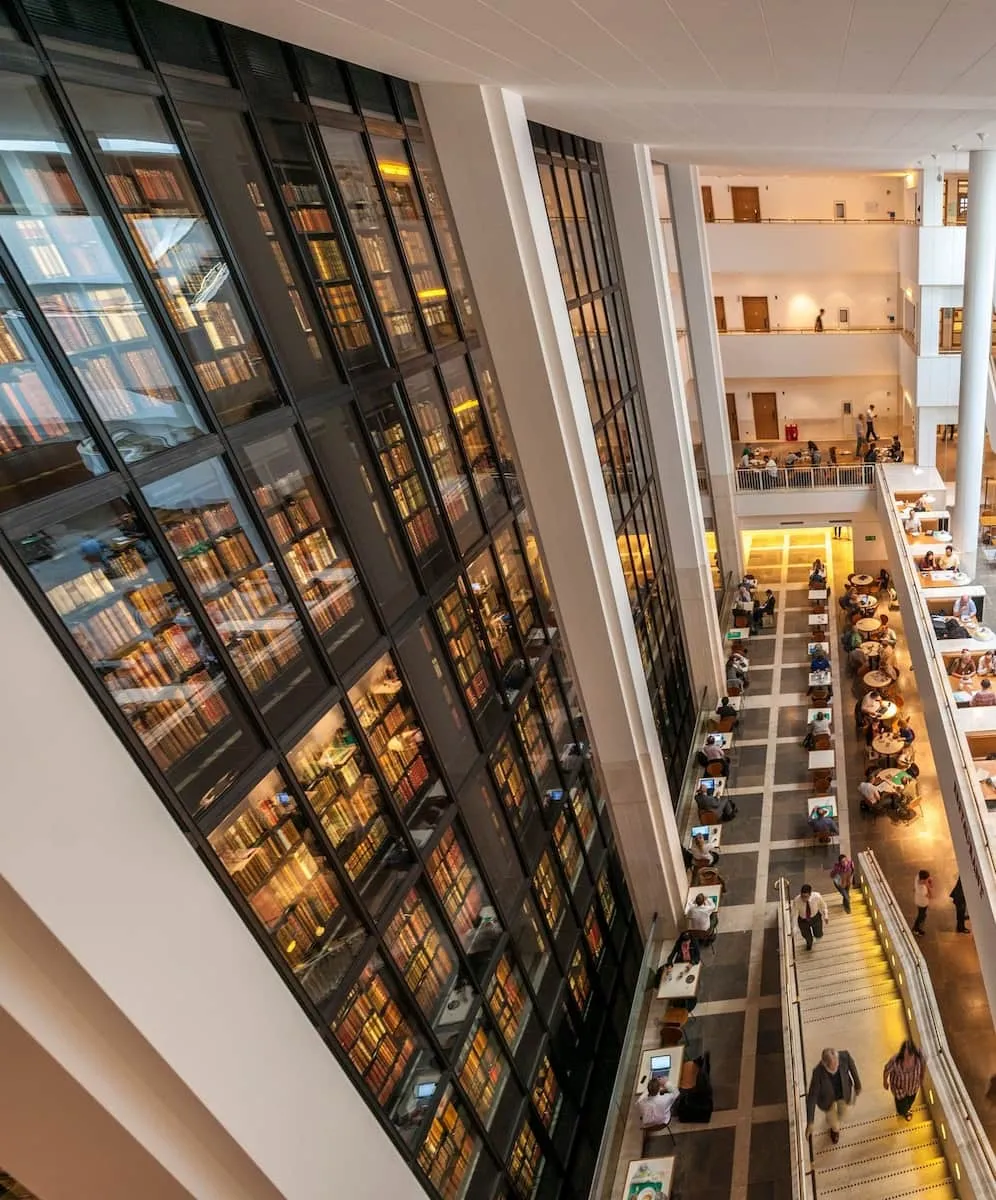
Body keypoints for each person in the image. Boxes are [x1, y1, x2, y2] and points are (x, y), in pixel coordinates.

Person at [806, 1048, 862, 1146]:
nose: (837, 1066)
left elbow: (853, 1069)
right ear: (824, 1064)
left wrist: (858, 1085)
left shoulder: (845, 1056)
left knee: (843, 1114)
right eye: (833, 1066)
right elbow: (812, 1096)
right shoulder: (817, 1073)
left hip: (843, 1094)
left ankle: (837, 1121)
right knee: (834, 1123)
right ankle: (835, 1130)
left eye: (837, 1063)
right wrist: (810, 1122)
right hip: (827, 1100)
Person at [882, 1042, 924, 1122]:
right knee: (901, 1107)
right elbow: (886, 1070)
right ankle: (904, 1112)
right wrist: (885, 1082)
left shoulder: (919, 1057)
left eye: (911, 1057)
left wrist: (922, 1077)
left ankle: (906, 1109)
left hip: (913, 1088)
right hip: (899, 1090)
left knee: (910, 1101)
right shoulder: (895, 1061)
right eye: (906, 1057)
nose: (908, 1061)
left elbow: (924, 1062)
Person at [791, 883, 828, 951]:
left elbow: (823, 906)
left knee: (818, 934)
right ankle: (809, 944)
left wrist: (825, 915)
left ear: (810, 894)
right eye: (802, 896)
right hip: (803, 920)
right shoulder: (796, 900)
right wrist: (794, 927)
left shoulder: (817, 896)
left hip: (815, 918)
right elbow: (794, 914)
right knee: (807, 937)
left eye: (806, 897)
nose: (804, 899)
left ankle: (816, 936)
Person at [912, 869, 934, 936]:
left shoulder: (918, 877)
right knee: (920, 915)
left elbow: (927, 879)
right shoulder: (921, 889)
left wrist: (928, 881)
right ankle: (915, 929)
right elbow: (930, 896)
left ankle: (922, 917)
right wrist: (929, 886)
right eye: (926, 880)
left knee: (922, 913)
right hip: (922, 903)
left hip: (918, 900)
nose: (928, 880)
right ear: (922, 880)